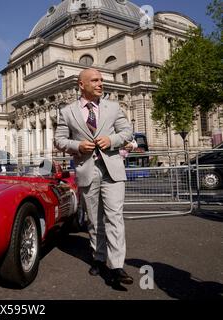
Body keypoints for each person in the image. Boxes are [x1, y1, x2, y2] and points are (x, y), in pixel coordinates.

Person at [54, 68, 134, 285]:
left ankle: (117, 266)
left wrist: (112, 140)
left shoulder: (113, 107)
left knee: (114, 217)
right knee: (94, 218)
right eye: (95, 80)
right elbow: (59, 140)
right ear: (82, 85)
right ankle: (98, 258)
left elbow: (127, 133)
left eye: (102, 80)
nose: (100, 84)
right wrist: (77, 145)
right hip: (87, 170)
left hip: (113, 170)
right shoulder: (67, 112)